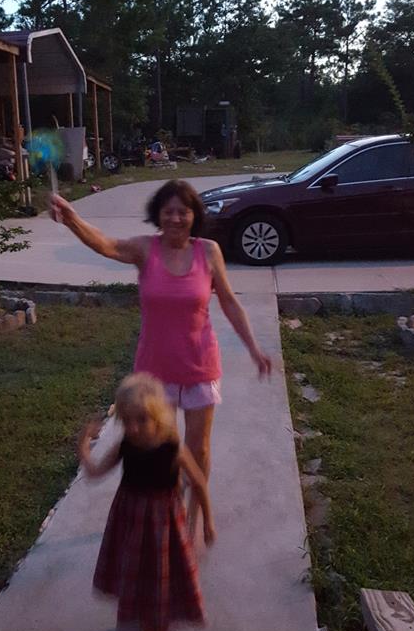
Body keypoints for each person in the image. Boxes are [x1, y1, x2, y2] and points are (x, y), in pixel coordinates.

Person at [51, 179, 271, 528]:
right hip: (153, 374)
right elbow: (106, 245)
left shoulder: (209, 251)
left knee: (198, 449)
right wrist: (71, 219)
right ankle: (166, 505)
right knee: (158, 447)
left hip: (199, 365)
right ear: (158, 214)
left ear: (194, 215)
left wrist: (254, 348)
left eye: (183, 211)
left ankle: (194, 513)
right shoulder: (145, 249)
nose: (175, 218)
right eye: (168, 211)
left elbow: (229, 302)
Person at [78, 373, 216, 631]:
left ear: (158, 416)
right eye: (127, 421)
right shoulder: (126, 445)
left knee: (159, 591)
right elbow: (95, 472)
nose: (134, 428)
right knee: (139, 583)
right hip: (130, 526)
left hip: (162, 529)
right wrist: (84, 446)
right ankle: (149, 626)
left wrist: (208, 522)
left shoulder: (172, 448)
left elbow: (199, 483)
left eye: (142, 419)